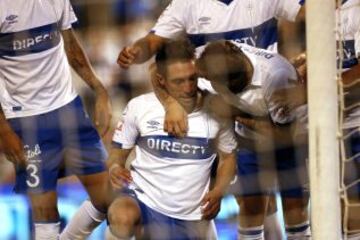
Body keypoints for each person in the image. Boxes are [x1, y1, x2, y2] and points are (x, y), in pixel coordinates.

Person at [117, 1, 306, 238]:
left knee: (291, 205)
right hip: (227, 119)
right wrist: (170, 102)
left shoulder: (275, 74)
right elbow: (155, 52)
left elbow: (308, 12)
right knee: (249, 202)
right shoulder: (188, 8)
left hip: (275, 108)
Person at [0, 0, 112, 239]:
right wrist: (4, 130)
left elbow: (71, 45)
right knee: (45, 214)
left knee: (107, 200)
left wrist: (100, 90)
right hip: (25, 118)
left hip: (68, 108)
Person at [106, 39, 237, 239]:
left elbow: (228, 158)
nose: (188, 88)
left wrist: (219, 190)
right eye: (178, 81)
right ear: (161, 80)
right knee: (122, 216)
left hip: (192, 215)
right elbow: (117, 152)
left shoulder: (217, 110)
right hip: (144, 202)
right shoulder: (140, 107)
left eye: (192, 79)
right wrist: (115, 168)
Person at [195, 40, 310, 239]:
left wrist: (235, 114)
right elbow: (159, 68)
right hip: (250, 142)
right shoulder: (206, 58)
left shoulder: (276, 76)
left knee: (295, 212)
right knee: (251, 210)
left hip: (292, 140)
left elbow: (285, 135)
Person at [336, 0, 360, 238]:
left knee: (354, 202)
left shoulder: (356, 9)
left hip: (356, 123)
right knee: (330, 203)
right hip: (323, 124)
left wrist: (320, 95)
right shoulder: (310, 11)